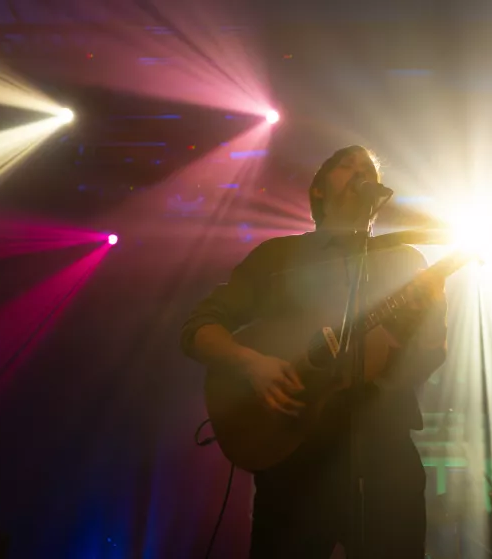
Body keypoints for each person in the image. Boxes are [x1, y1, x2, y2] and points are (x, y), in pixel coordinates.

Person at [180, 145, 448, 558]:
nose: (361, 174)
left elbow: (430, 354)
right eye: (348, 166)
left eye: (369, 171)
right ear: (318, 189)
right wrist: (253, 364)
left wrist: (418, 330)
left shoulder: (406, 261)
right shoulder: (276, 257)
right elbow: (198, 328)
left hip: (384, 455)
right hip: (292, 461)